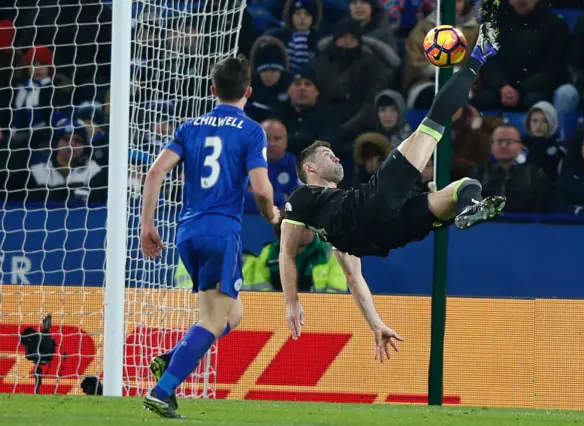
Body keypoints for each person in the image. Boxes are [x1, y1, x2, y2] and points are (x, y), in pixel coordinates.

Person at [279, 5, 505, 362]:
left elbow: (355, 280)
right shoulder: (303, 197)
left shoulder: (334, 227)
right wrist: (291, 302)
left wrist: (375, 324)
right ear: (308, 166)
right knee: (433, 122)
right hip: (373, 206)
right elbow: (286, 252)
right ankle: (480, 54)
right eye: (326, 154)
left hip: (390, 232)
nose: (336, 157)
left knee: (463, 186)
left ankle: (467, 209)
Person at [139, 56, 279, 418]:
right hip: (221, 231)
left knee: (234, 313)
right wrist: (273, 216)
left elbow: (154, 174)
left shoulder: (189, 127)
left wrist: (147, 225)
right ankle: (163, 390)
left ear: (213, 90)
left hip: (187, 231)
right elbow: (263, 190)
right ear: (248, 91)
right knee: (214, 320)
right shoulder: (251, 130)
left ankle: (172, 360)